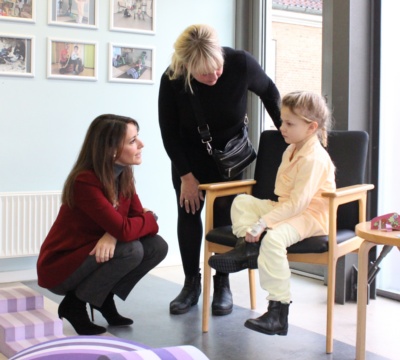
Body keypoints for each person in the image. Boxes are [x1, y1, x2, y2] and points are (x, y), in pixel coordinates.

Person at [158, 24, 281, 317]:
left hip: (230, 157)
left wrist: (288, 134)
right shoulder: (173, 79)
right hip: (188, 159)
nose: (213, 76)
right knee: (188, 213)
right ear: (187, 66)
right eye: (203, 74)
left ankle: (222, 284)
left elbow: (269, 91)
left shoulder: (240, 63)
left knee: (225, 216)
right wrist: (186, 177)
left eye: (217, 69)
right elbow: (169, 134)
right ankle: (191, 284)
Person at [209, 91, 336, 336]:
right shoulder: (291, 149)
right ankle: (247, 247)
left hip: (310, 216)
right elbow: (285, 200)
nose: (282, 128)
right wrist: (261, 220)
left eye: (289, 123)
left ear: (312, 127)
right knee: (242, 202)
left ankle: (278, 312)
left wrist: (263, 224)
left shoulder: (314, 158)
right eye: (282, 121)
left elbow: (299, 205)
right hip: (287, 207)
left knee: (274, 238)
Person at [37, 114, 168, 336]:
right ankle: (74, 305)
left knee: (157, 246)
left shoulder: (123, 174)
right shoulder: (85, 181)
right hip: (62, 265)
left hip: (94, 254)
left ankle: (101, 296)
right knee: (131, 250)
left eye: (138, 138)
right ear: (110, 150)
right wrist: (150, 218)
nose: (141, 144)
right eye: (132, 141)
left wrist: (115, 233)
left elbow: (133, 221)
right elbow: (131, 225)